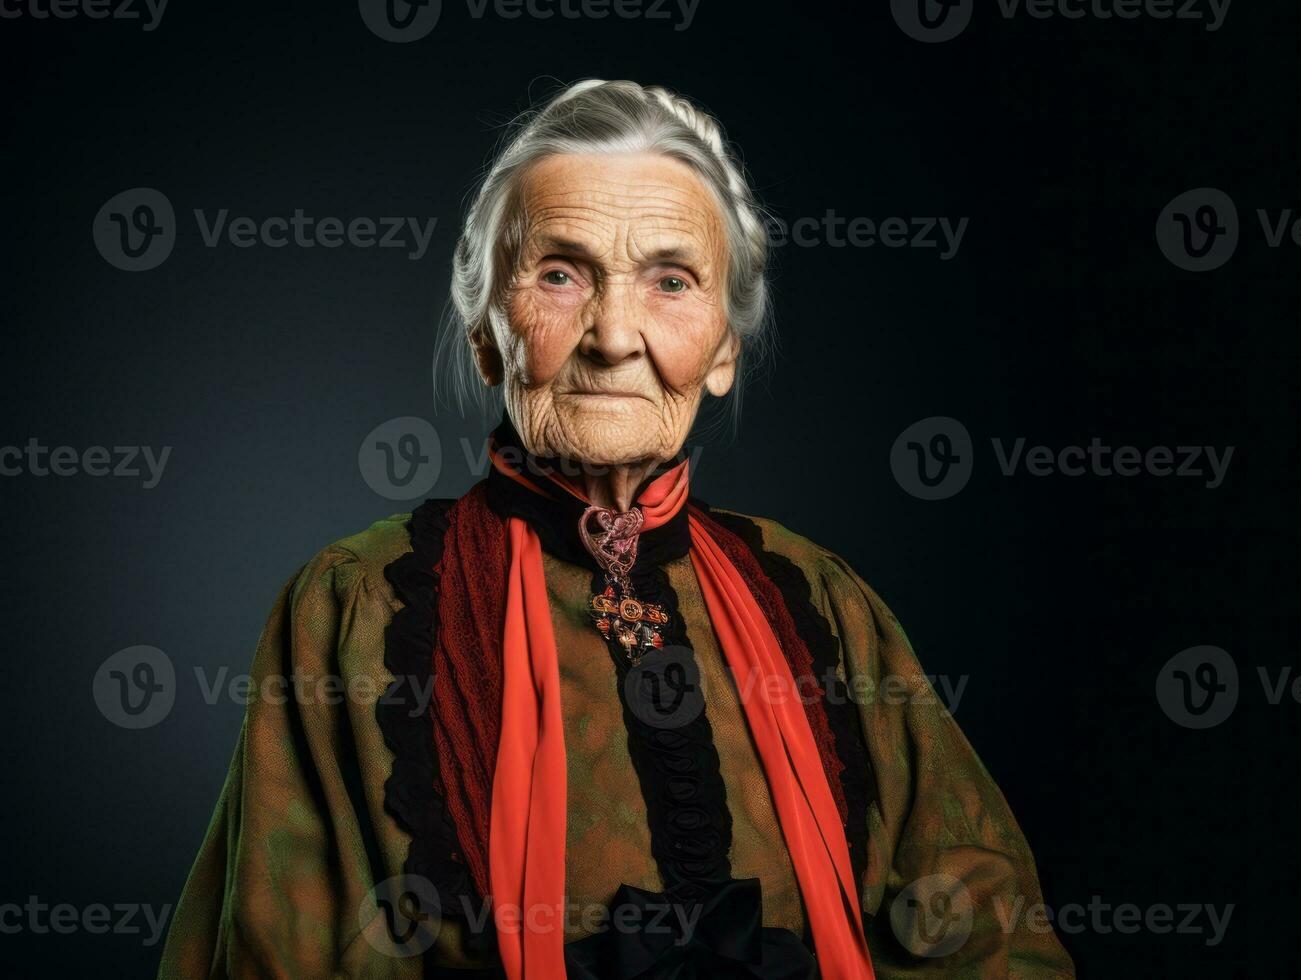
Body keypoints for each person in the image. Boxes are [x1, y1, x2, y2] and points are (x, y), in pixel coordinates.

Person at [158, 79, 1074, 979]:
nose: (612, 335)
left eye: (670, 281)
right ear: (487, 334)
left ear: (722, 350)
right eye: (560, 273)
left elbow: (983, 924)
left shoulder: (821, 600)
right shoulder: (356, 608)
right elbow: (286, 949)